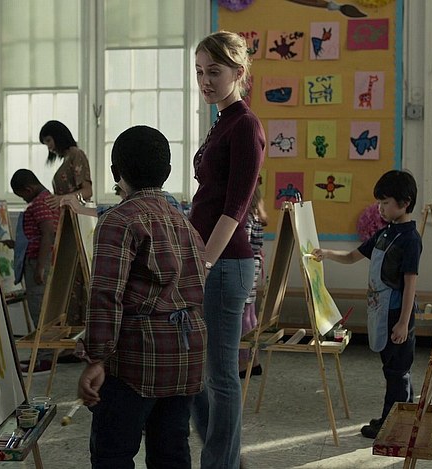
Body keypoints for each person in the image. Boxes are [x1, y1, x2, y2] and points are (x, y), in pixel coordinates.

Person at [75, 125, 208, 468]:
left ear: (115, 173)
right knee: (171, 451)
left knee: (113, 453)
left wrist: (96, 358)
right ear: (167, 172)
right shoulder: (185, 223)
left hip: (136, 358)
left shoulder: (117, 221)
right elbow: (196, 290)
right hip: (185, 357)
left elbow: (106, 297)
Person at [189, 30, 265, 468]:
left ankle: (221, 462)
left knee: (220, 377)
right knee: (198, 374)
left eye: (214, 71)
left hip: (225, 263)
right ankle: (224, 455)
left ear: (238, 72)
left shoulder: (245, 125)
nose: (205, 80)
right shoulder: (222, 121)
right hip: (209, 260)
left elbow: (235, 207)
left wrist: (204, 261)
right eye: (200, 71)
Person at [312, 170, 421, 439]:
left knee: (397, 371)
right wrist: (326, 254)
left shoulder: (410, 239)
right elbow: (352, 256)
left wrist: (403, 323)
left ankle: (391, 424)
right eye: (379, 202)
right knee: (393, 369)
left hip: (397, 314)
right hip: (382, 312)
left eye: (385, 203)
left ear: (405, 203)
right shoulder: (385, 234)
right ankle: (401, 417)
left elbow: (410, 283)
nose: (380, 208)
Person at [39, 120, 92, 336]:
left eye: (49, 141)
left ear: (58, 136)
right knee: (68, 280)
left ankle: (78, 335)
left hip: (76, 224)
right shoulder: (67, 159)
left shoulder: (76, 155)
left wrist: (61, 198)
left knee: (76, 278)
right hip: (67, 223)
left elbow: (87, 191)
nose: (49, 147)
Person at [9, 169, 59, 374]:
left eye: (22, 196)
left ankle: (44, 359)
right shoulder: (48, 199)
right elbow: (38, 234)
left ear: (28, 189)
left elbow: (48, 233)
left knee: (39, 310)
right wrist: (17, 244)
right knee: (42, 310)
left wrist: (39, 267)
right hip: (40, 260)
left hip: (38, 262)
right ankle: (41, 355)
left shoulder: (39, 203)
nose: (23, 200)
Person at [239, 186, 268, 378]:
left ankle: (244, 362)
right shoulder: (256, 216)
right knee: (249, 315)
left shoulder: (247, 218)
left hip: (247, 266)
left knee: (243, 317)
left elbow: (244, 243)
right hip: (254, 265)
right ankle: (253, 360)